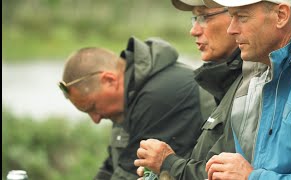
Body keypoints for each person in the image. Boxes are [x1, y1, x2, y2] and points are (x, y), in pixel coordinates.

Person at [134, 0, 267, 179]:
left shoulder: (258, 83)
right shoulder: (230, 80)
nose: (194, 30)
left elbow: (226, 175)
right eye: (195, 18)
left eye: (204, 17)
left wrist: (168, 164)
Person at [58, 36, 216, 180]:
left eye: (93, 108)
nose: (96, 119)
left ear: (109, 80)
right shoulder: (129, 95)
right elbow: (112, 167)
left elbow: (130, 174)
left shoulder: (158, 95)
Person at [205, 0, 291, 179]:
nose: (231, 29)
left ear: (281, 15)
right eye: (231, 16)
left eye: (241, 17)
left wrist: (253, 177)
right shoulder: (258, 72)